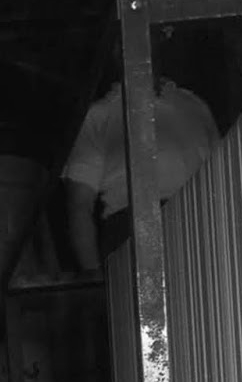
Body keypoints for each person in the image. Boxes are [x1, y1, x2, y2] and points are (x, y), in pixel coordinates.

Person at [63, 71, 219, 270]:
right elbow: (79, 206)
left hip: (203, 227)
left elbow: (223, 175)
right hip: (136, 232)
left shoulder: (194, 104)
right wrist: (95, 280)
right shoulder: (98, 115)